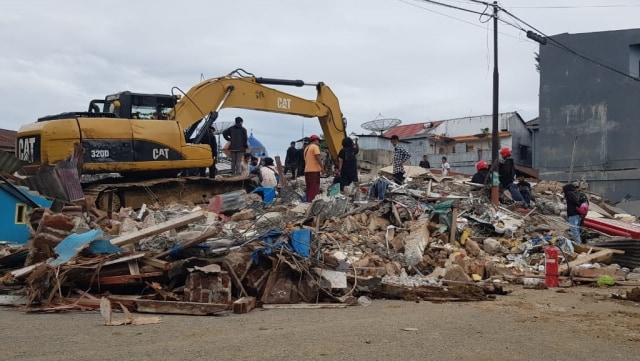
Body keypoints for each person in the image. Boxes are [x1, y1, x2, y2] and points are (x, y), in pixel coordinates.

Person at [304, 134, 324, 202]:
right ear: (315, 140)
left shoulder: (306, 148)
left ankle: (308, 200)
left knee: (309, 186)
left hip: (307, 170)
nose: (319, 142)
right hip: (314, 170)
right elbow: (317, 157)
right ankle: (312, 201)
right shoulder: (315, 147)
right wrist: (322, 167)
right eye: (318, 141)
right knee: (314, 186)